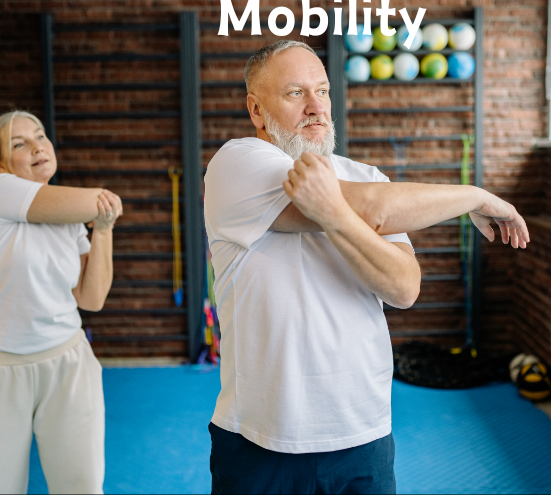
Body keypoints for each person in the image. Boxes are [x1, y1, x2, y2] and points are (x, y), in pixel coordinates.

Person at [203, 40, 530, 494]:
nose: (316, 107)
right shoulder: (238, 165)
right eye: (295, 93)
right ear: (257, 111)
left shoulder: (368, 175)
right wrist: (476, 196)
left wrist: (333, 214)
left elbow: (403, 288)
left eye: (322, 90)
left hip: (362, 435)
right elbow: (375, 210)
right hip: (260, 438)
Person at [0, 110, 123, 494]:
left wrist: (105, 230)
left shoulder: (69, 218)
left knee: (82, 486)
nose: (36, 146)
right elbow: (99, 200)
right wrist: (103, 207)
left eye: (40, 136)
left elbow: (91, 298)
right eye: (19, 143)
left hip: (67, 364)